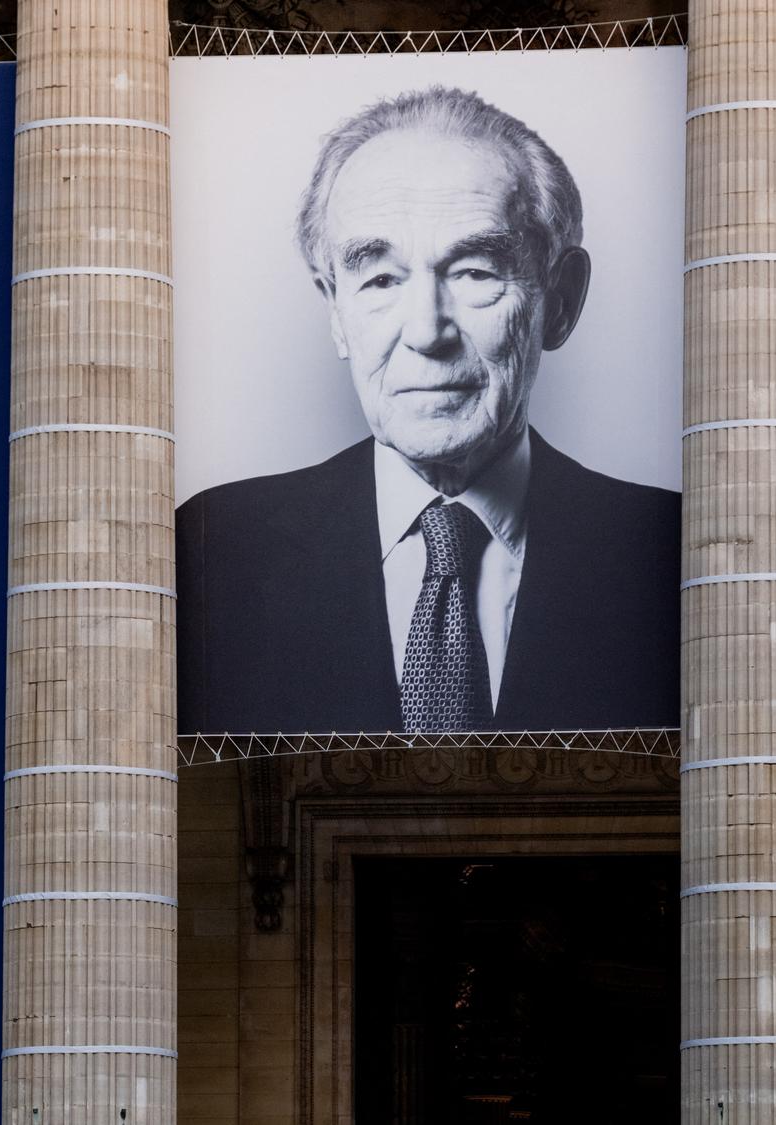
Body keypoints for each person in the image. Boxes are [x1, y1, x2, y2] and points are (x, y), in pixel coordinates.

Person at [177, 86, 679, 734]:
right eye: (380, 279)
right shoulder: (209, 553)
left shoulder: (672, 556)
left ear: (559, 301)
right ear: (335, 311)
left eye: (474, 271)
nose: (425, 331)